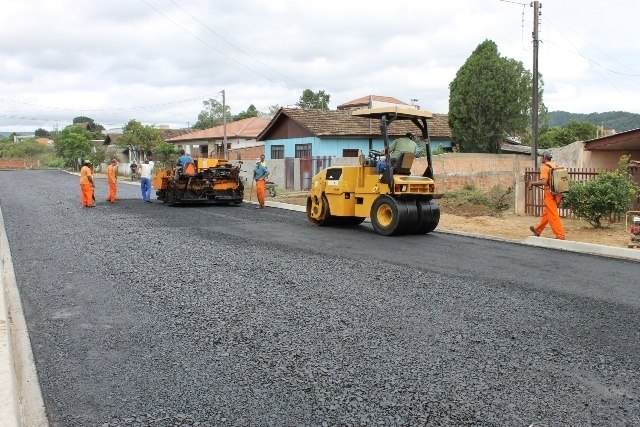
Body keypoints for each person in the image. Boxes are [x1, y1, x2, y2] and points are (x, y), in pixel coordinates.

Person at [528, 151, 566, 240]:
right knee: (547, 213)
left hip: (550, 193)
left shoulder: (545, 167)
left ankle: (560, 235)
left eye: (541, 157)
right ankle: (538, 230)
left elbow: (544, 182)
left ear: (544, 157)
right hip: (557, 193)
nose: (541, 158)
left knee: (553, 215)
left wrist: (532, 183)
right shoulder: (555, 165)